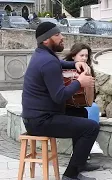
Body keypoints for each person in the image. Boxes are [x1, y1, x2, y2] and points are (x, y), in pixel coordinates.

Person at [22, 22, 99, 180]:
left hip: (36, 117)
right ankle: (70, 176)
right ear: (46, 40)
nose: (62, 37)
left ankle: (80, 163)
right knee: (91, 127)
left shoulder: (42, 55)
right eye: (57, 35)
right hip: (41, 121)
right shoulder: (48, 61)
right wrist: (80, 82)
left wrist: (74, 63)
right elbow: (59, 96)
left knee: (82, 113)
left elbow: (58, 63)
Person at [64, 43, 104, 168]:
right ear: (73, 55)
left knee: (86, 111)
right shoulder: (64, 69)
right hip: (64, 106)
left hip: (78, 106)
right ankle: (81, 157)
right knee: (84, 115)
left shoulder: (88, 69)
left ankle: (80, 159)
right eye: (81, 55)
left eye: (86, 56)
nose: (84, 58)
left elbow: (90, 94)